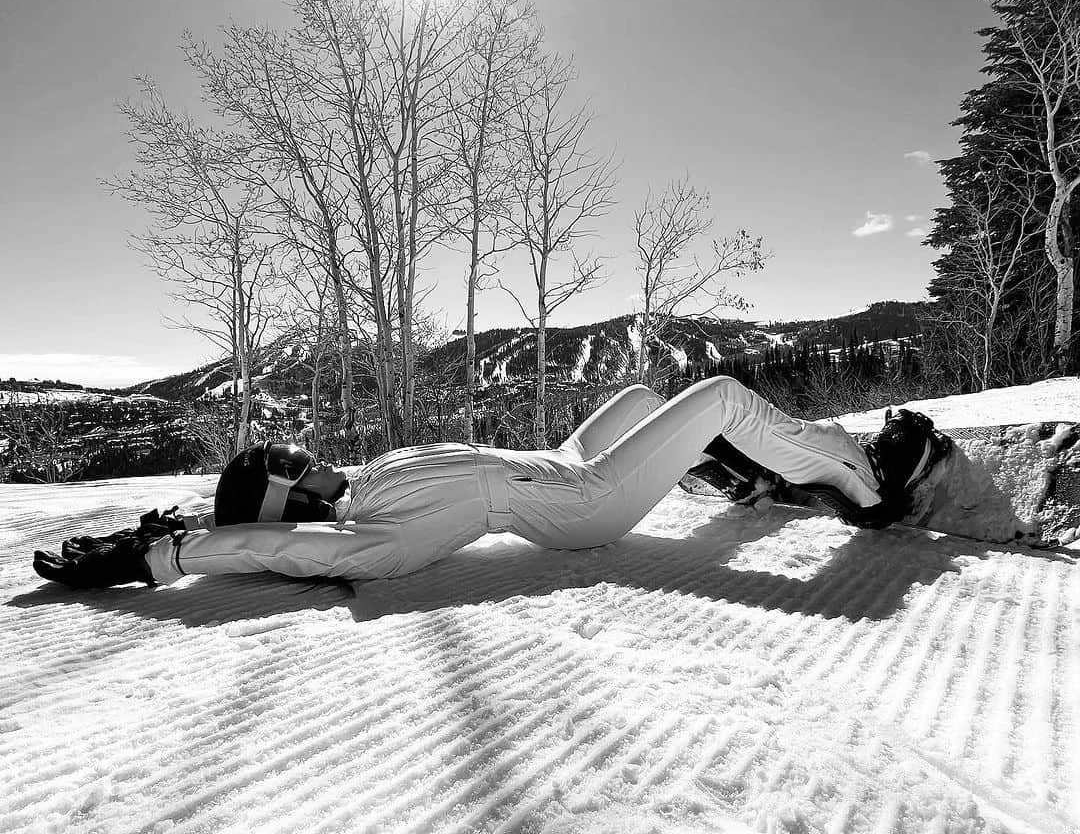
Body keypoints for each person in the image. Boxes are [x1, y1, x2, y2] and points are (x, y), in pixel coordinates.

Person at [32, 376, 951, 590]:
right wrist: (167, 555)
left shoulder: (368, 481)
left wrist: (182, 514)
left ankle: (742, 479)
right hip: (582, 507)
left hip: (562, 461)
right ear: (293, 499)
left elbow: (258, 514)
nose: (301, 451)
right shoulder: (373, 532)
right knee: (715, 395)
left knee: (637, 393)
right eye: (287, 464)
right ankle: (870, 485)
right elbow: (272, 545)